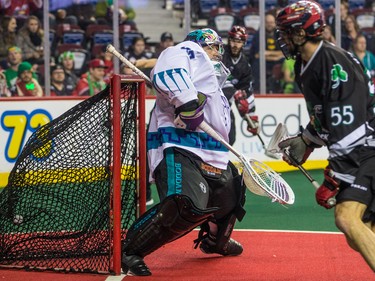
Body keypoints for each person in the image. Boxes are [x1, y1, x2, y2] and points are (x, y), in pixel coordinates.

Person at [121, 28, 246, 276]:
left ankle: (214, 242)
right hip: (179, 144)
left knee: (231, 194)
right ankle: (129, 250)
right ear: (201, 44)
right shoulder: (187, 51)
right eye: (214, 47)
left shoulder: (212, 80)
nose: (217, 53)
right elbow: (168, 70)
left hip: (211, 151)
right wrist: (187, 101)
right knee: (185, 204)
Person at [275, 0, 375, 272]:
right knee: (362, 231)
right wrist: (307, 141)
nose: (282, 39)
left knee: (346, 218)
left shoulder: (332, 63)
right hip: (364, 150)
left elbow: (349, 125)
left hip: (368, 149)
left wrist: (336, 175)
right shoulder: (304, 66)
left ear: (300, 33)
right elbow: (325, 116)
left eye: (286, 33)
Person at [221, 25, 258, 145]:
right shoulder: (220, 55)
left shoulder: (245, 65)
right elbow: (217, 78)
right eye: (232, 40)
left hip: (225, 107)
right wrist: (234, 93)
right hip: (210, 103)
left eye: (239, 41)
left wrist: (251, 116)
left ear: (244, 43)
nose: (234, 45)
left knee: (230, 138)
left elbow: (246, 90)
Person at [249, 12, 284, 93]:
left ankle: (283, 89)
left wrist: (267, 53)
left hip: (277, 60)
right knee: (256, 63)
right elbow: (258, 55)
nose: (269, 24)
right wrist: (276, 56)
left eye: (271, 22)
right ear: (264, 23)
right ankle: (257, 89)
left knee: (286, 62)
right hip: (263, 61)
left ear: (275, 23)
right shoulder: (258, 34)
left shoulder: (279, 34)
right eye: (267, 22)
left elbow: (283, 53)